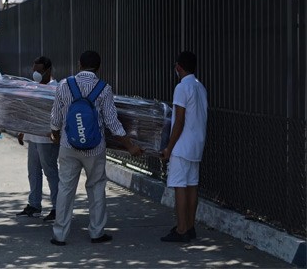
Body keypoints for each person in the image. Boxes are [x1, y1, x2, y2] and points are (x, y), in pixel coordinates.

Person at [49, 50, 143, 246]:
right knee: (96, 187)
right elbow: (112, 122)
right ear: (98, 67)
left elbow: (55, 118)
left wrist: (56, 135)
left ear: (79, 64)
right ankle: (96, 232)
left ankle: (59, 235)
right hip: (95, 149)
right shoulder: (104, 89)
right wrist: (130, 146)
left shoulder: (65, 85)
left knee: (65, 188)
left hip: (68, 145)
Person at [160, 51, 208, 243]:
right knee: (192, 186)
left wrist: (169, 148)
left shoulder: (182, 87)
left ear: (178, 67)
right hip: (197, 144)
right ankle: (190, 226)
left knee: (180, 186)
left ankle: (181, 229)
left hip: (182, 145)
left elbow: (179, 120)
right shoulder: (200, 87)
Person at [16, 56, 60, 221]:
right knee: (33, 172)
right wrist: (23, 130)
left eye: (39, 71)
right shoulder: (34, 86)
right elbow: (30, 110)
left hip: (47, 139)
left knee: (51, 172)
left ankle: (58, 207)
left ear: (48, 70)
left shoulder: (55, 88)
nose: (36, 74)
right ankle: (34, 205)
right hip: (33, 137)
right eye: (34, 70)